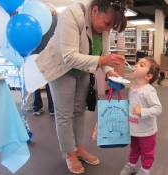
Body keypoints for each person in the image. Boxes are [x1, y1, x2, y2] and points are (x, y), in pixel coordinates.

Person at [47, 0, 128, 174]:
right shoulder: (72, 14)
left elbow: (104, 54)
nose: (108, 29)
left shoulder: (104, 26)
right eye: (107, 23)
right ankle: (69, 153)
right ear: (95, 10)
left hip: (83, 70)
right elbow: (69, 56)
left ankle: (79, 148)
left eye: (111, 26)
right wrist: (103, 62)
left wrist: (108, 71)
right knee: (64, 115)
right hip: (61, 68)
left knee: (79, 111)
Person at [120, 58, 165, 175]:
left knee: (147, 152)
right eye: (137, 63)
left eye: (141, 65)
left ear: (148, 76)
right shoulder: (132, 87)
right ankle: (131, 165)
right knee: (134, 148)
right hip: (134, 128)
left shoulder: (149, 91)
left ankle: (145, 170)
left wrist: (142, 111)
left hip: (146, 131)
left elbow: (158, 108)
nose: (135, 66)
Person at [32, 3, 57, 116]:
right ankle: (52, 108)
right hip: (49, 54)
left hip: (35, 53)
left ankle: (37, 107)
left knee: (35, 81)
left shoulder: (35, 19)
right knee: (49, 80)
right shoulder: (56, 21)